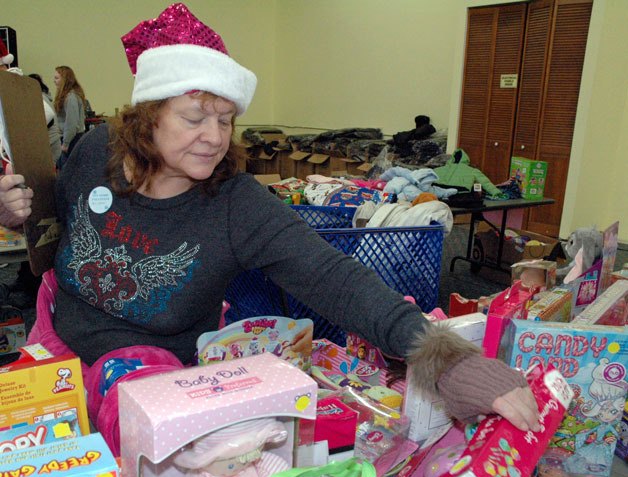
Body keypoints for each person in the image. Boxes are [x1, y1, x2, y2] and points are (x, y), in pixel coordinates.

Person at [0, 3, 539, 433]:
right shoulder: (97, 150)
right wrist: (9, 212)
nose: (213, 137)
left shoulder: (237, 207)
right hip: (55, 341)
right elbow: (50, 224)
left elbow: (336, 280)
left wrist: (448, 361)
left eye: (225, 120)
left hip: (145, 375)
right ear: (147, 117)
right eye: (193, 117)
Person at [53, 65, 86, 169]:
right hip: (70, 137)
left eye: (57, 78)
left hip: (72, 139)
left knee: (67, 169)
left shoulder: (70, 97)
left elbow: (71, 122)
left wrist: (66, 143)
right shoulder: (69, 95)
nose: (54, 81)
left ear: (65, 79)